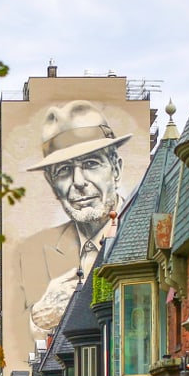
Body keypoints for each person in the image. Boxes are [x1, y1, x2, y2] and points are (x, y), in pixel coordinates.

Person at [19, 99, 131, 340]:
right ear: (52, 184)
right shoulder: (32, 252)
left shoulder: (139, 228)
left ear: (116, 170)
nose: (78, 182)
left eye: (91, 164)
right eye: (64, 170)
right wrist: (40, 320)